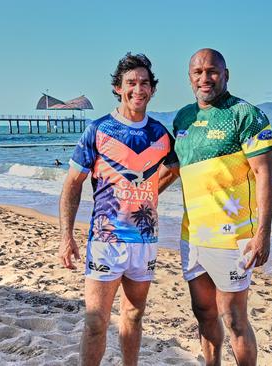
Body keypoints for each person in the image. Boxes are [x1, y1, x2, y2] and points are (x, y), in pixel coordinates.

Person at [58, 53, 178, 366]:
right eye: (131, 83)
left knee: (134, 316)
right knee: (96, 321)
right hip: (105, 241)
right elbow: (72, 184)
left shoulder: (161, 136)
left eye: (144, 83)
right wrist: (66, 236)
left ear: (153, 89)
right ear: (117, 87)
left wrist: (148, 190)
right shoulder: (98, 130)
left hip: (145, 242)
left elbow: (174, 169)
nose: (138, 89)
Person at [172, 48, 272, 365]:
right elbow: (175, 168)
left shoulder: (246, 115)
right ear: (190, 77)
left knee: (234, 319)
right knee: (203, 313)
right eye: (198, 72)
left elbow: (264, 175)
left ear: (226, 74)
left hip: (232, 240)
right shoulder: (183, 118)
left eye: (212, 71)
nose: (205, 78)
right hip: (192, 238)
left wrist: (263, 235)